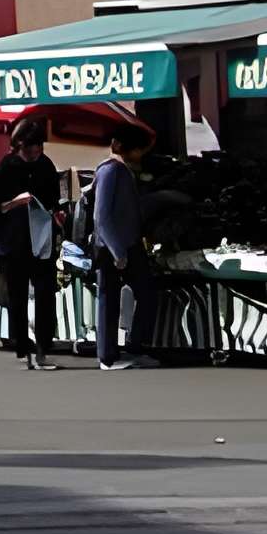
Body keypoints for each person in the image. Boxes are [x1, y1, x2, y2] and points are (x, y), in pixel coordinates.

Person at [0, 113, 65, 369]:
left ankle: (42, 347)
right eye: (28, 151)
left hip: (41, 240)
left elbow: (54, 200)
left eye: (37, 150)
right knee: (17, 296)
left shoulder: (46, 166)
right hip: (13, 242)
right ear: (18, 148)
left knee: (45, 295)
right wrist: (15, 202)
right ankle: (22, 348)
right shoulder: (4, 170)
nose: (33, 155)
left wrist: (58, 215)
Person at [90, 126, 159, 371]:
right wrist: (117, 250)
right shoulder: (110, 171)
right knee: (108, 300)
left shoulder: (125, 171)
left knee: (147, 293)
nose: (141, 155)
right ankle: (107, 357)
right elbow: (102, 216)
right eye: (139, 150)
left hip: (130, 243)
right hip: (112, 247)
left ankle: (135, 347)